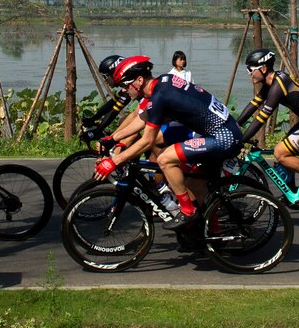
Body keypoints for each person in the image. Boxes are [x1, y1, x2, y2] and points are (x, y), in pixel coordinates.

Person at [97, 54, 242, 225]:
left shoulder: (159, 97)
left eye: (125, 85)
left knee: (165, 159)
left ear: (139, 80)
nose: (123, 90)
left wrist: (115, 161)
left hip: (223, 137)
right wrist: (112, 138)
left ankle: (188, 211)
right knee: (195, 184)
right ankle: (213, 231)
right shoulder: (164, 82)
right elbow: (142, 119)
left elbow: (147, 141)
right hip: (224, 131)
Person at [235, 47, 299, 198]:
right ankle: (292, 192)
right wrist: (236, 125)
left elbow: (262, 117)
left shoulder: (277, 87)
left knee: (280, 152)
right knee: (284, 150)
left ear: (263, 69)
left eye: (251, 69)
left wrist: (241, 140)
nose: (249, 73)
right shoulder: (271, 82)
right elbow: (254, 104)